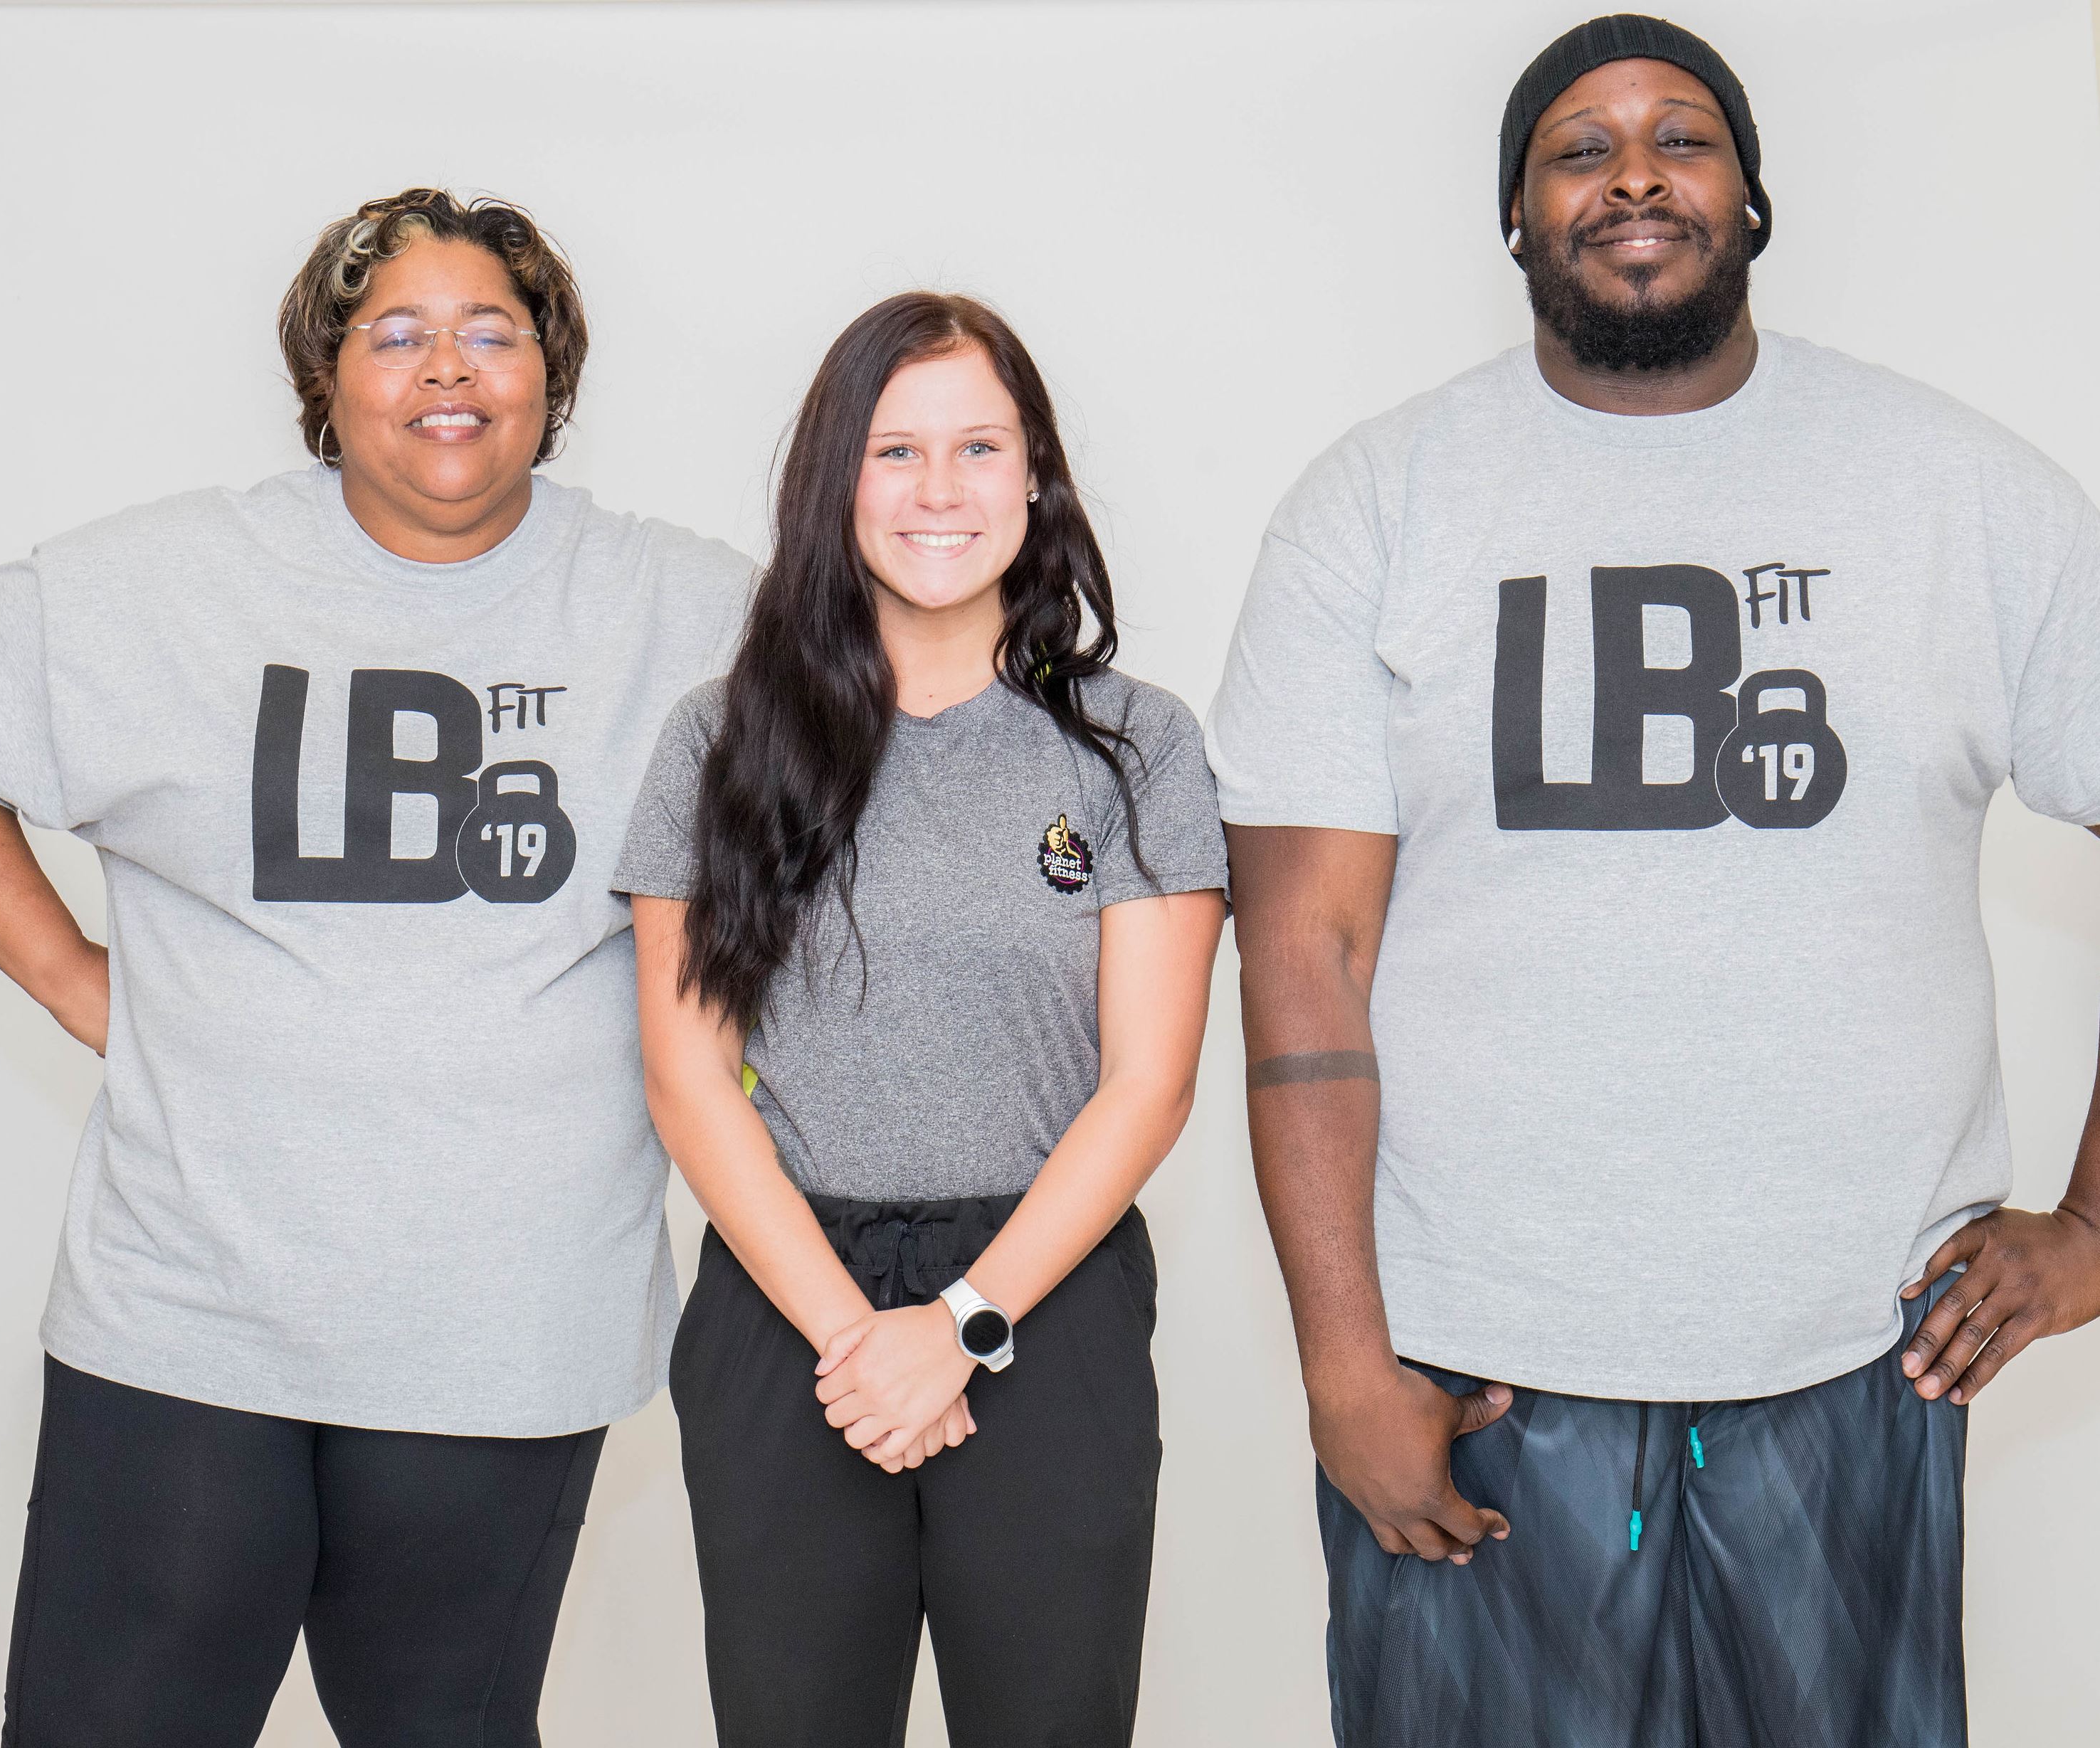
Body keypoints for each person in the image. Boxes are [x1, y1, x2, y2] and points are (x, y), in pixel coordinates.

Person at [1208, 14, 2100, 1745]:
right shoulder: (1379, 502)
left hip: (1857, 1349)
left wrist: (2093, 1228)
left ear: (1753, 200)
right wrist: (1341, 1358)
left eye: (1681, 136)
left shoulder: (1965, 493)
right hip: (1475, 1363)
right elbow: (1301, 955)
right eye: (1577, 146)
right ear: (1518, 217)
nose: (1632, 170)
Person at [0, 188, 752, 1746]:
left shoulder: (684, 602)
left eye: (495, 333)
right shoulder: (170, 579)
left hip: (507, 1323)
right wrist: (74, 978)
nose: (451, 368)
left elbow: (882, 740)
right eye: (401, 334)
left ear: (551, 379)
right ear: (329, 375)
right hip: (188, 1310)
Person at [619, 290, 1228, 1747]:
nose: (939, 491)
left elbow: (1148, 1082)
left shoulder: (1135, 745)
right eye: (895, 452)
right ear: (834, 484)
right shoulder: (722, 739)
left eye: (978, 447)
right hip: (789, 1298)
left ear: (1037, 478)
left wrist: (959, 1323)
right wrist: (860, 1338)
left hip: (1045, 1290)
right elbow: (687, 1077)